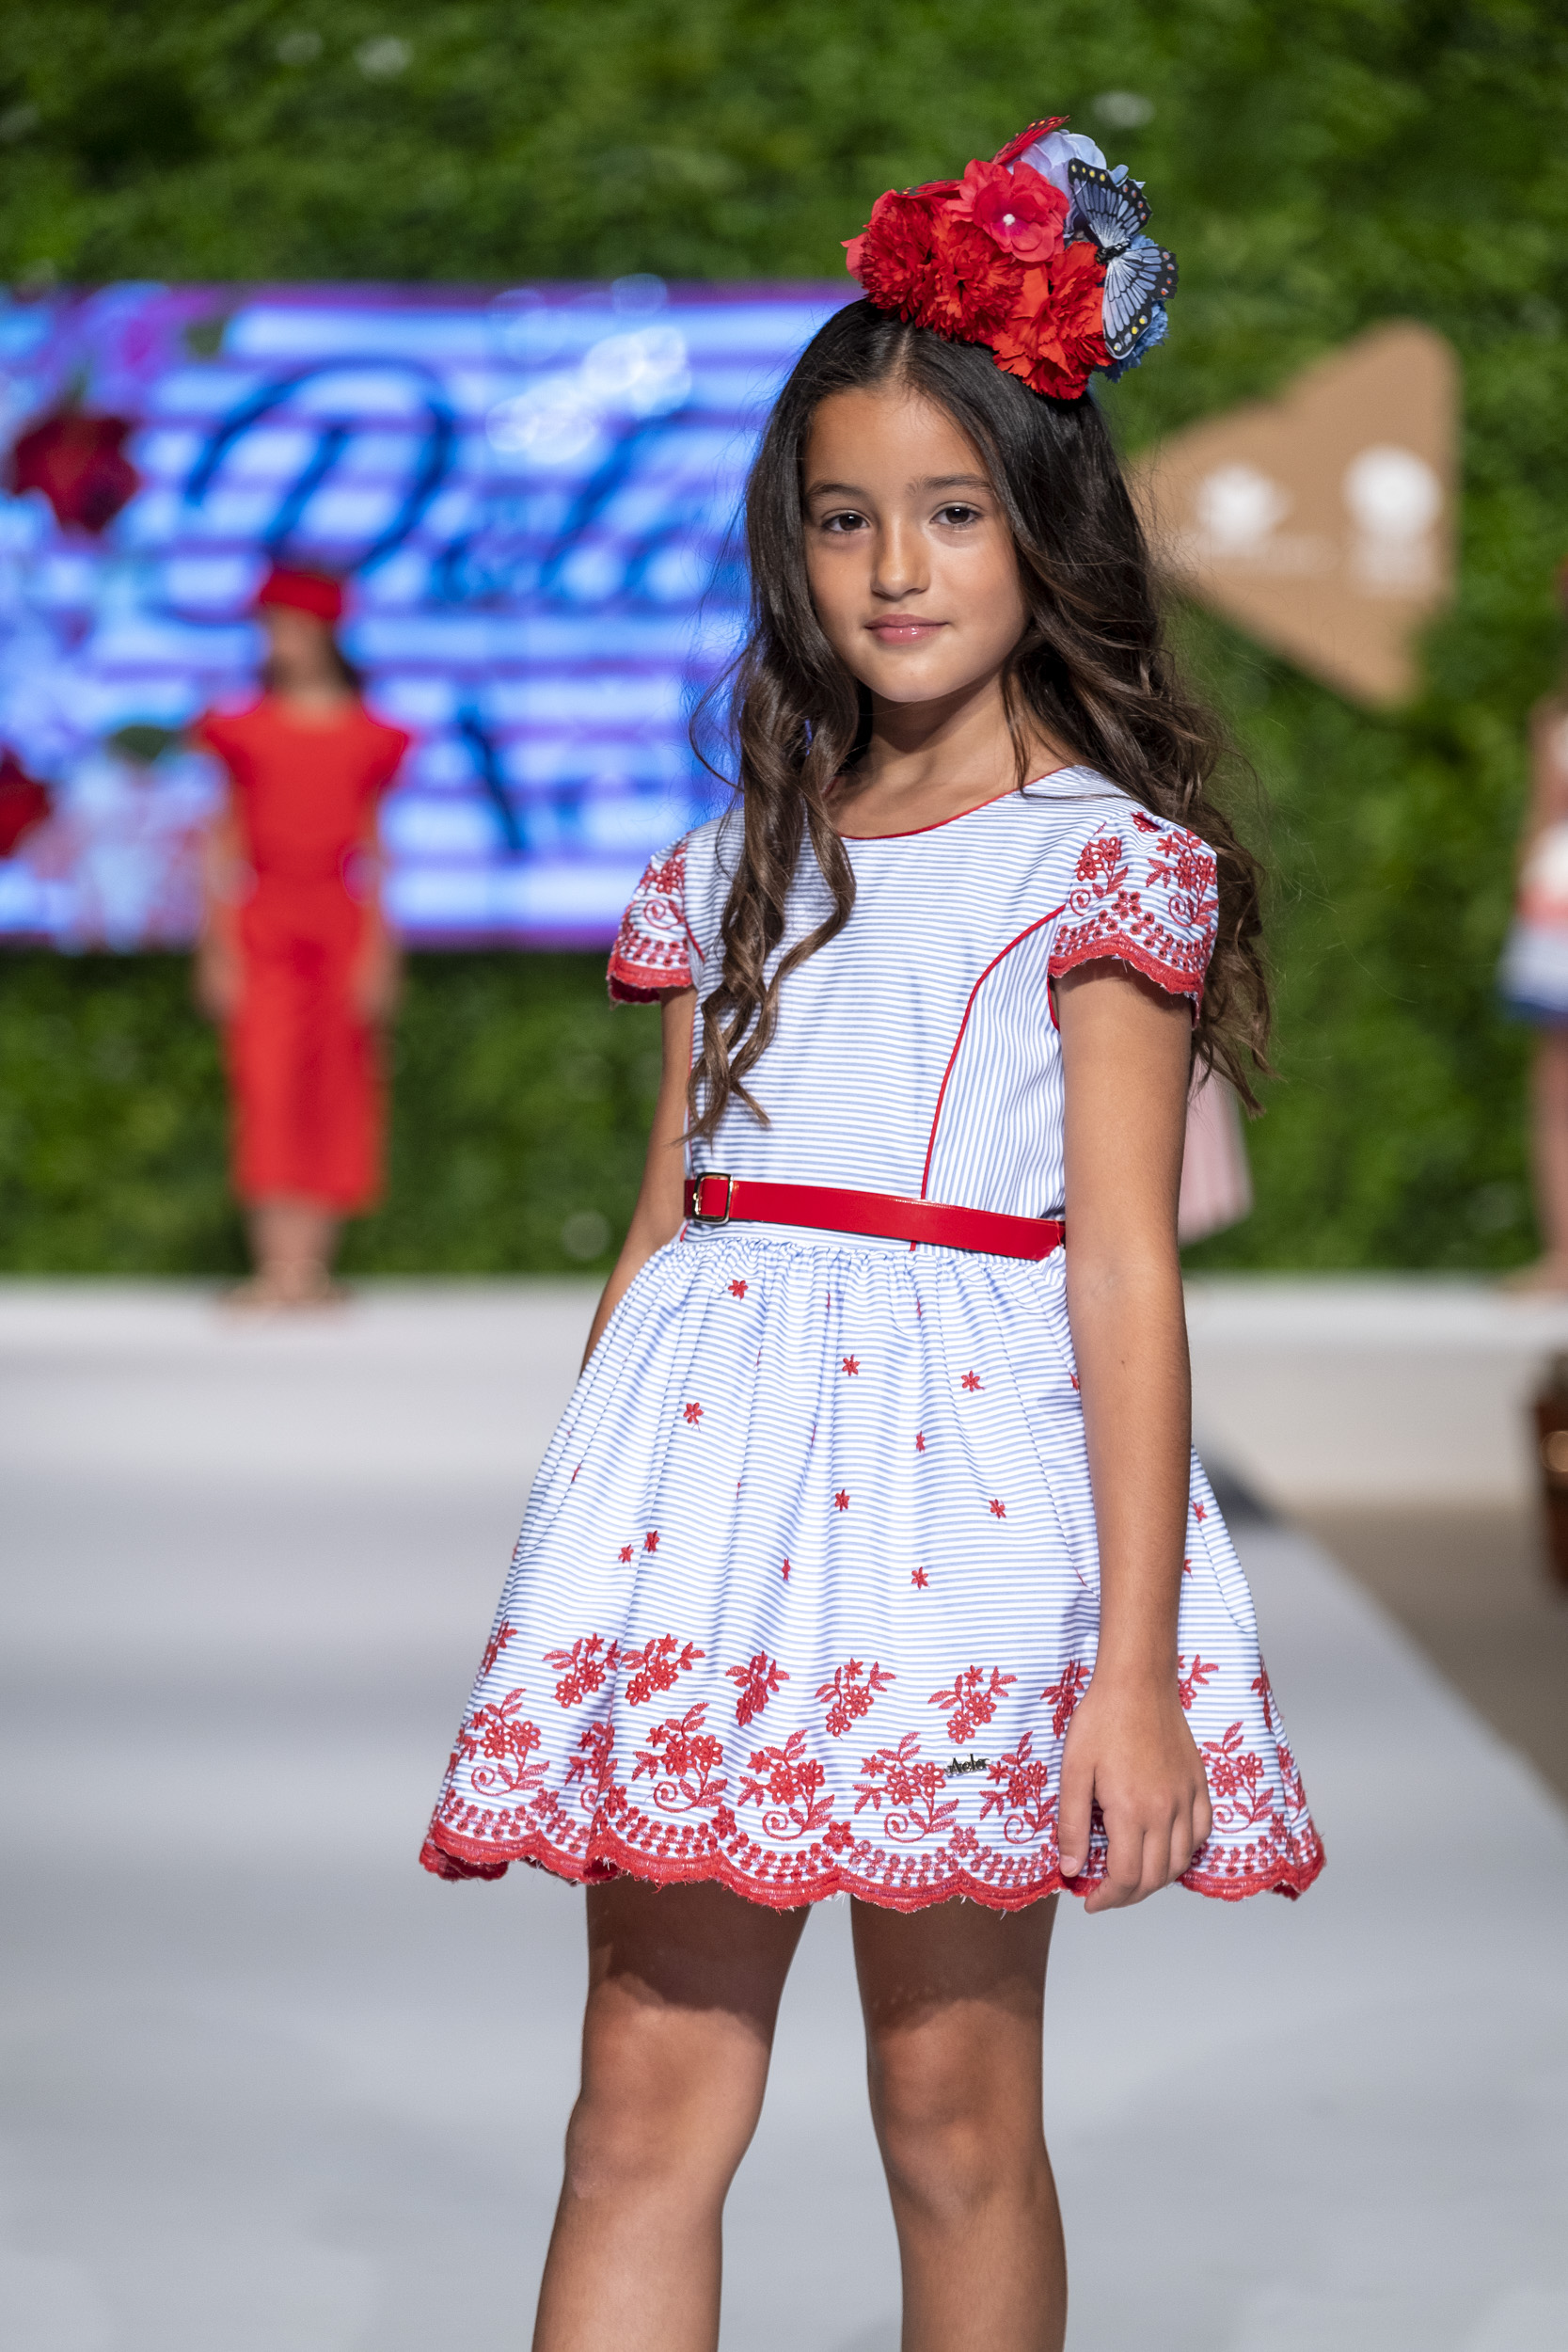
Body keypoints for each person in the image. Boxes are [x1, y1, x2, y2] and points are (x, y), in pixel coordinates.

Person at [422, 115, 1323, 2351]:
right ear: (790, 542)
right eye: (845, 518)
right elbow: (665, 1224)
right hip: (707, 1514)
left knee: (950, 2110)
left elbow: (1120, 1264)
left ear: (1042, 527)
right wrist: (576, 1559)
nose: (894, 569)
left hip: (966, 1514)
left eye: (949, 512)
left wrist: (1132, 1671)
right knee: (637, 2103)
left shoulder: (1098, 862)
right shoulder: (729, 857)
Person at [194, 566, 408, 1307]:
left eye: (286, 625)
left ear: (323, 631)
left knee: (337, 1088)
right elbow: (221, 846)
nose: (276, 641)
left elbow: (376, 854)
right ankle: (273, 1266)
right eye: (269, 627)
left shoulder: (367, 734)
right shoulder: (243, 729)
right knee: (265, 1083)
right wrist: (216, 945)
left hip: (339, 924)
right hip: (263, 923)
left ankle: (310, 1269)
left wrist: (380, 950)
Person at [1499, 562, 1568, 1289]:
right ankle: (1561, 1254)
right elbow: (1539, 821)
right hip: (1555, 917)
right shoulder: (1552, 715)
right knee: (1554, 1088)